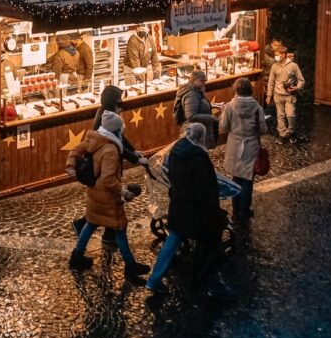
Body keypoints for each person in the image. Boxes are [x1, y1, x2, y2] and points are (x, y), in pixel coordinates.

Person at [145, 123, 235, 300]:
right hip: (196, 211)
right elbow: (204, 189)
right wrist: (213, 210)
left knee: (172, 242)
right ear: (200, 138)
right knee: (209, 247)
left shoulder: (175, 151)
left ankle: (154, 280)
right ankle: (211, 284)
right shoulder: (198, 157)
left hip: (178, 207)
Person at [66, 110, 150, 282]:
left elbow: (75, 150)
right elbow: (108, 179)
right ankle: (130, 266)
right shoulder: (111, 149)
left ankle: (77, 256)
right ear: (116, 130)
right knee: (119, 227)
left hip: (94, 191)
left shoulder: (95, 139)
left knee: (91, 222)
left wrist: (71, 166)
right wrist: (123, 191)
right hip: (107, 197)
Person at [73, 85, 150, 244]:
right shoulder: (106, 117)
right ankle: (106, 233)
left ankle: (105, 233)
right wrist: (135, 158)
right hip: (106, 164)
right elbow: (117, 144)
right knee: (108, 200)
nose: (121, 101)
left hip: (109, 163)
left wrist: (134, 151)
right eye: (119, 98)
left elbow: (121, 139)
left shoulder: (108, 114)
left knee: (105, 201)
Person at [219, 77, 267, 219]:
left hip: (234, 145)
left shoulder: (229, 106)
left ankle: (235, 210)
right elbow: (263, 129)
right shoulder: (257, 107)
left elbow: (224, 126)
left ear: (236, 89)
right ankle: (244, 210)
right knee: (248, 179)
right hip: (251, 146)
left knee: (236, 177)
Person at [267, 46, 305, 141]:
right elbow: (271, 82)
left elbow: (301, 80)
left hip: (290, 96)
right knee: (280, 115)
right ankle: (282, 134)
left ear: (283, 55)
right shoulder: (274, 66)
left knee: (290, 115)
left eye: (277, 55)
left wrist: (296, 87)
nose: (275, 57)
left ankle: (291, 131)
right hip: (278, 95)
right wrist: (269, 95)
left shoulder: (293, 66)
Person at [175, 69, 220, 147]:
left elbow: (198, 104)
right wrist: (210, 117)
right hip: (194, 131)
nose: (204, 83)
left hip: (198, 129)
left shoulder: (197, 90)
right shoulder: (191, 94)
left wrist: (211, 105)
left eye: (205, 80)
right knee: (198, 152)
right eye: (202, 81)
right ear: (194, 80)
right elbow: (191, 115)